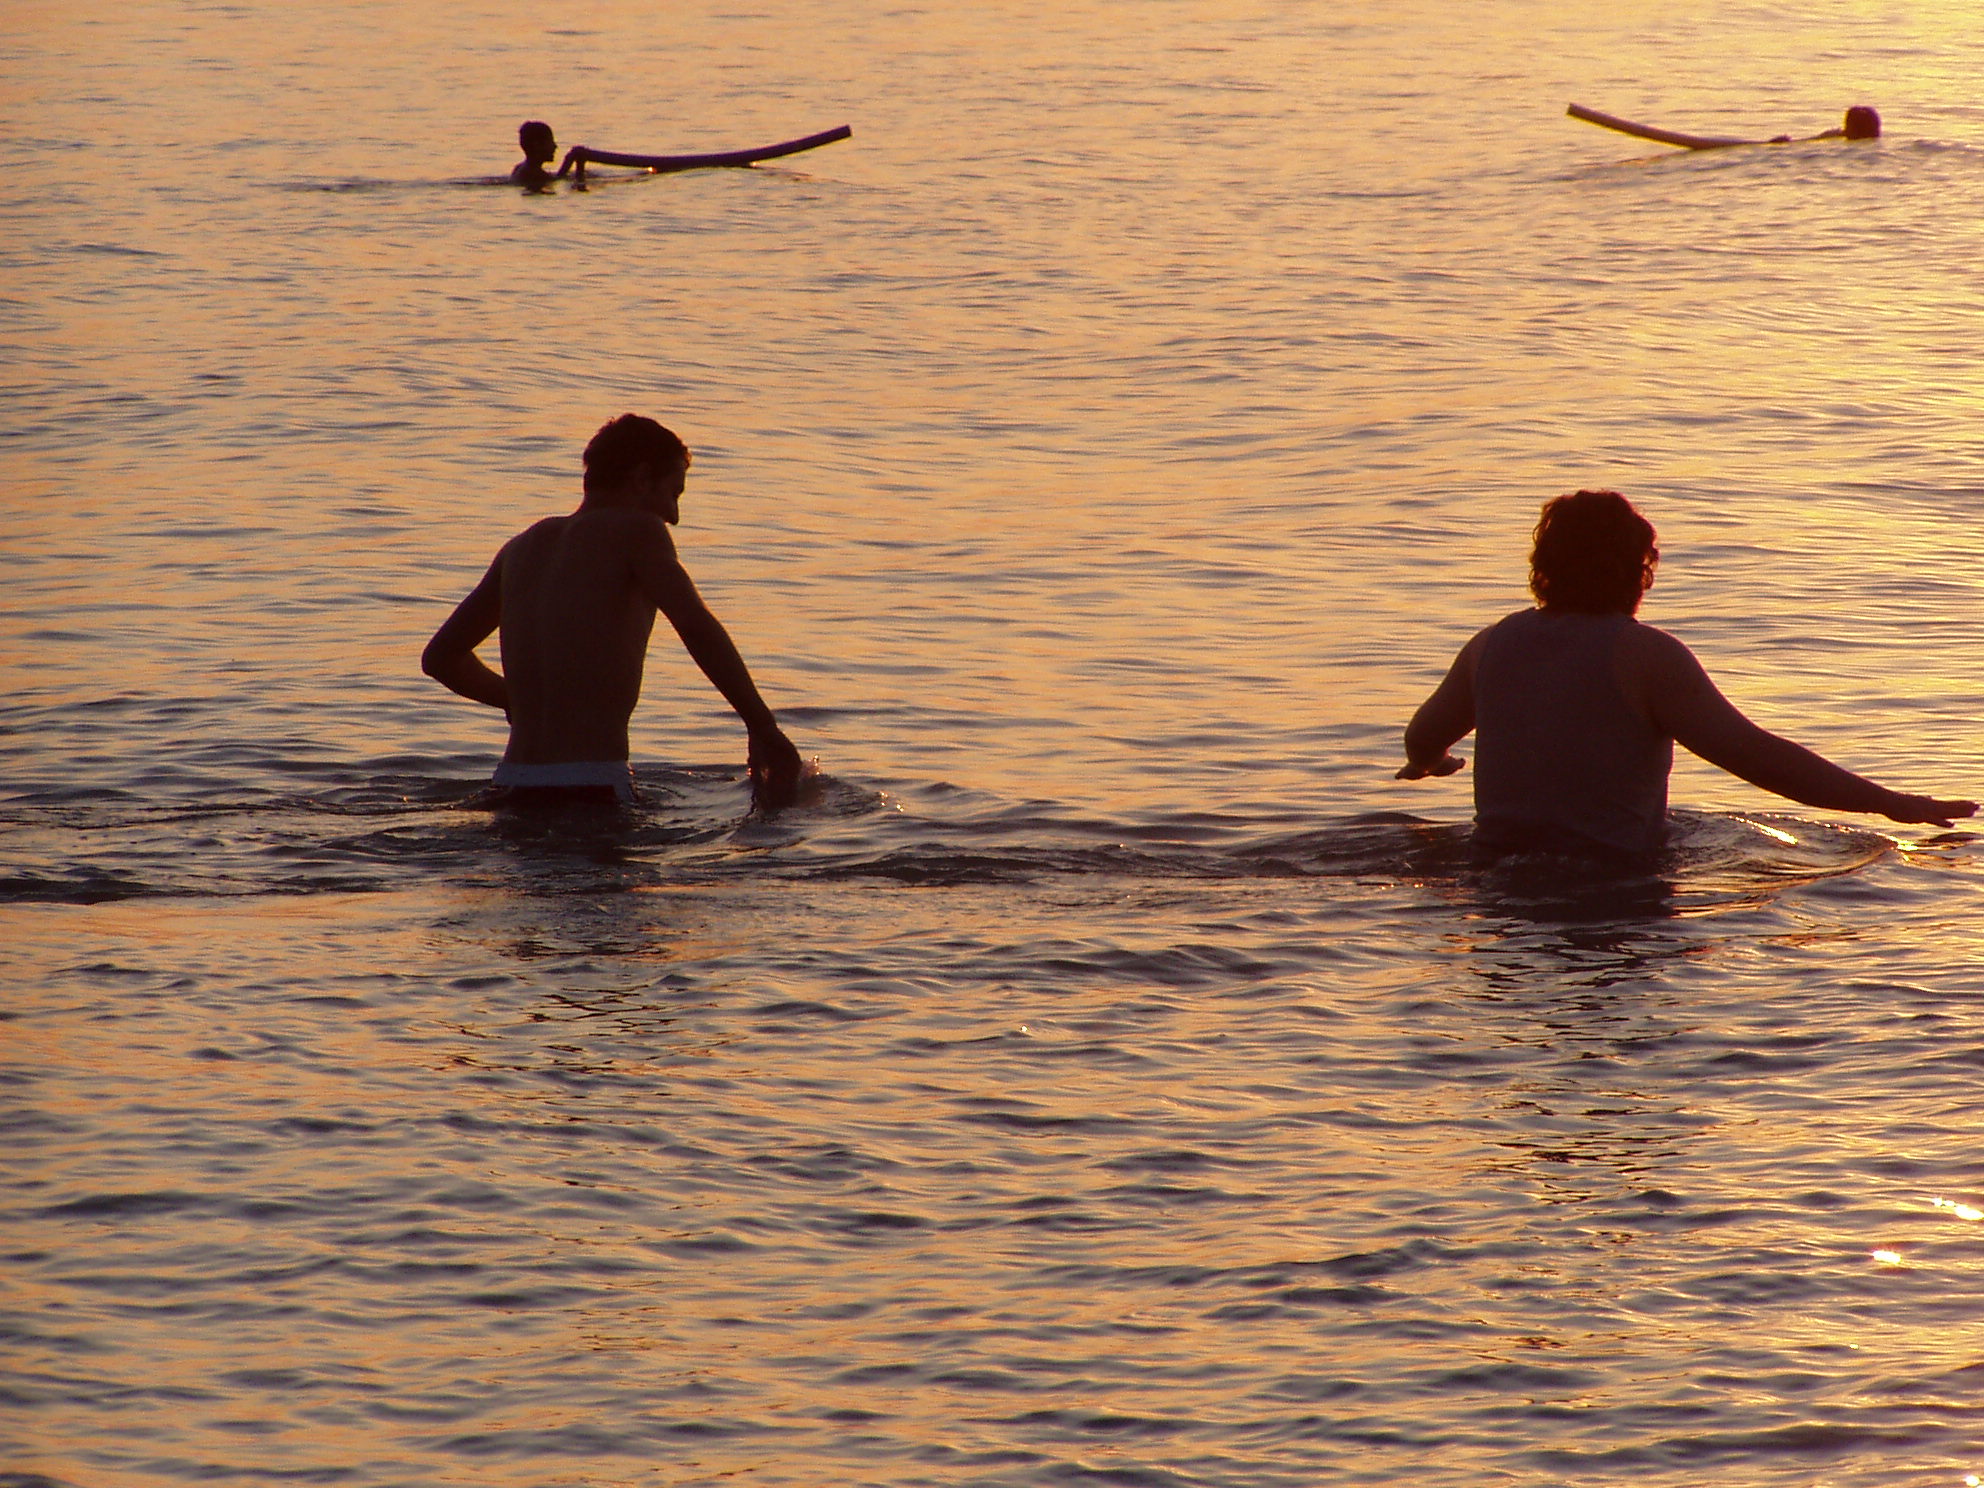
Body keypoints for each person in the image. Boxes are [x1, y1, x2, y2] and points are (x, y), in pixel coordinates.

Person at [1396, 489, 1972, 859]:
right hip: (1610, 878)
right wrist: (1887, 801)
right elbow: (1756, 757)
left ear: (1542, 568)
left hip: (1495, 868)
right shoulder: (1645, 656)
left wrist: (1431, 763)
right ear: (1640, 569)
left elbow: (1422, 737)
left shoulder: (1491, 644)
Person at [422, 414, 805, 809]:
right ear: (641, 479)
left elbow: (441, 658)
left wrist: (515, 700)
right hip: (592, 785)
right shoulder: (638, 530)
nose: (674, 516)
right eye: (674, 493)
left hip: (511, 783)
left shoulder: (522, 547)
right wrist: (763, 726)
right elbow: (695, 625)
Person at [510, 121, 586, 188]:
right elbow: (560, 179)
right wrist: (579, 165)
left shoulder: (520, 168)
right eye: (550, 141)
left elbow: (558, 177)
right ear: (537, 145)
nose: (555, 146)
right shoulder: (535, 174)